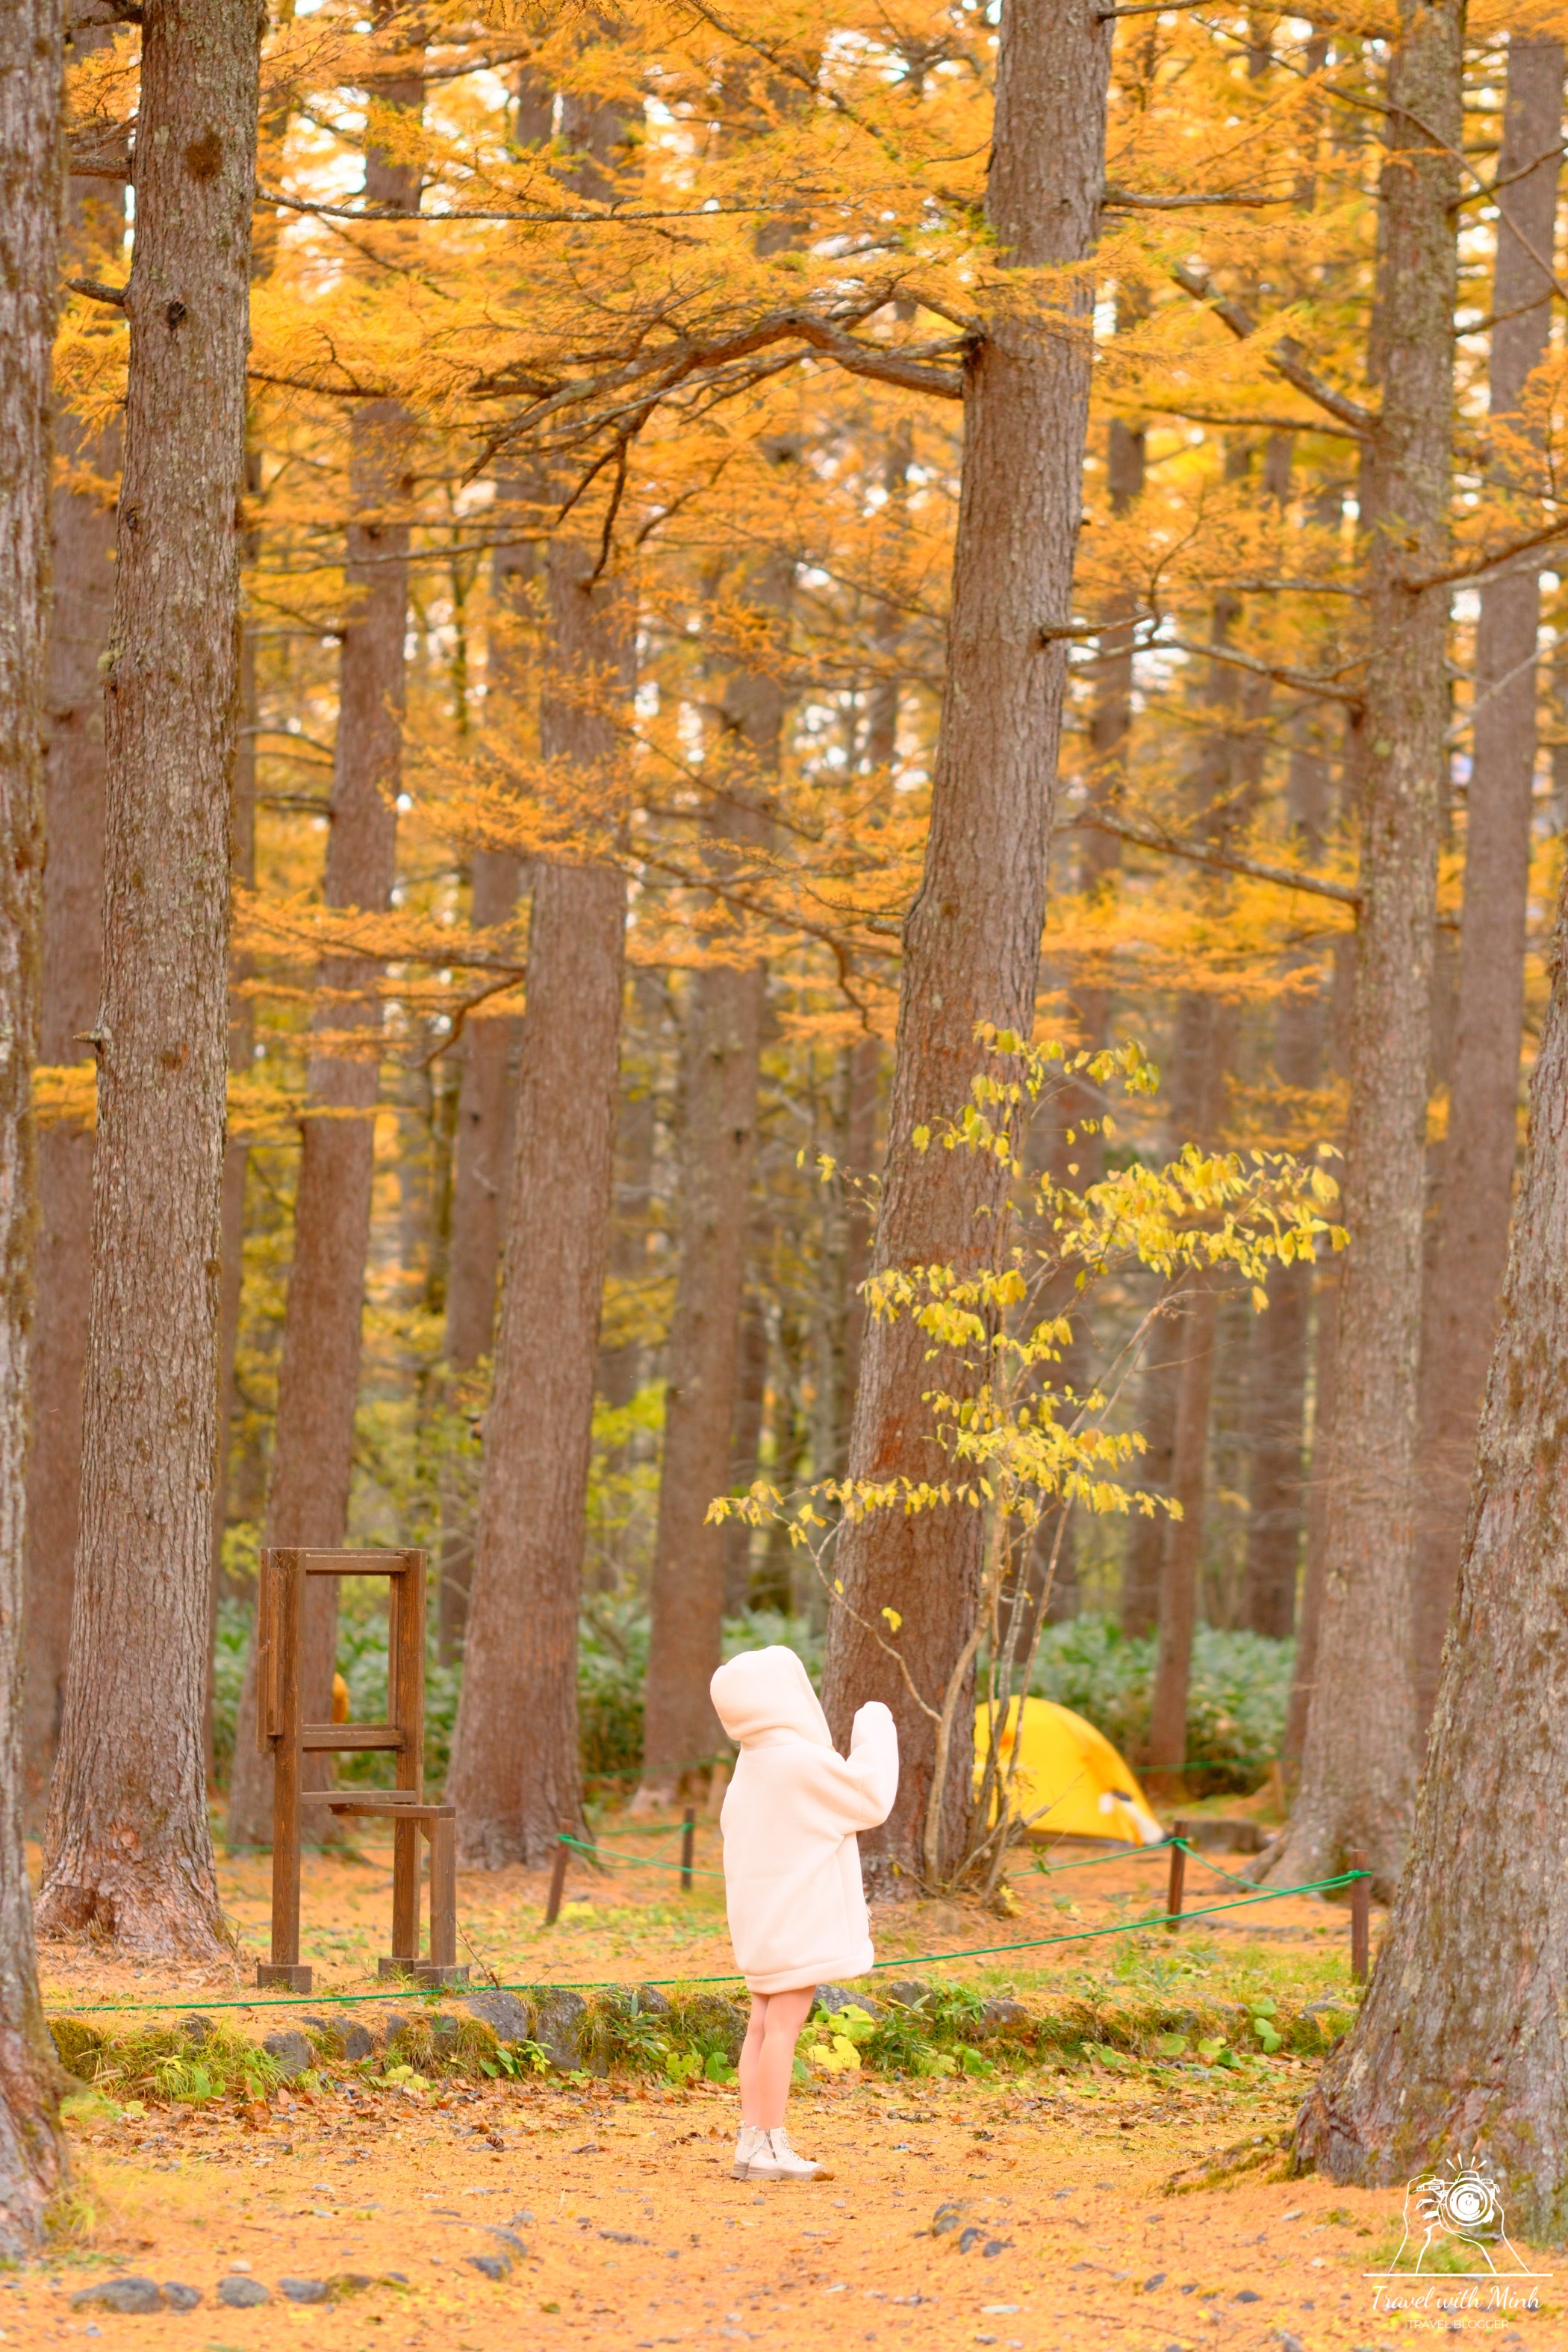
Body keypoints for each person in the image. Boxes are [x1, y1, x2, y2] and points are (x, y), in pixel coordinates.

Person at [709, 1646, 898, 2182]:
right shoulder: (798, 1761)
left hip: (759, 1922)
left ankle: (752, 2139)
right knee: (785, 2027)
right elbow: (869, 1799)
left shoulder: (750, 1767)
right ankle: (770, 2143)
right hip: (796, 1921)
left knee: (761, 2026)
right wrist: (874, 1728)